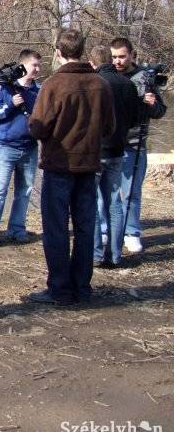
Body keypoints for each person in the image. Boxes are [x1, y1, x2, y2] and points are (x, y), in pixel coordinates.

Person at [27, 29, 114, 305]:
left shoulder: (54, 84)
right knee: (86, 226)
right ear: (83, 51)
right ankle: (82, 287)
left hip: (58, 165)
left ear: (58, 52)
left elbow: (38, 128)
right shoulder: (101, 84)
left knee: (56, 227)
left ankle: (60, 289)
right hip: (88, 165)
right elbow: (110, 127)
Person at [0, 49, 42, 246]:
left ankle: (17, 229)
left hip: (30, 147)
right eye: (34, 65)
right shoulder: (5, 88)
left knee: (25, 190)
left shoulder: (38, 90)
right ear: (23, 66)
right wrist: (11, 105)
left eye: (39, 66)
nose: (38, 69)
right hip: (6, 147)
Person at [110, 37, 167, 254]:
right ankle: (108, 230)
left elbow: (160, 112)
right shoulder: (108, 75)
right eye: (114, 56)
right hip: (111, 143)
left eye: (122, 56)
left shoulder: (145, 78)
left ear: (132, 55)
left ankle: (131, 232)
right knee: (109, 192)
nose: (118, 61)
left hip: (135, 144)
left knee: (132, 192)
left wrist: (153, 104)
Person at [86, 45, 141, 268]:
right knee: (114, 202)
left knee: (91, 201)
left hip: (96, 151)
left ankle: (97, 253)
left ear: (92, 63)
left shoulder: (93, 84)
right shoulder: (128, 85)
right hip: (119, 149)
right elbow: (135, 119)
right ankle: (116, 254)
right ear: (111, 60)